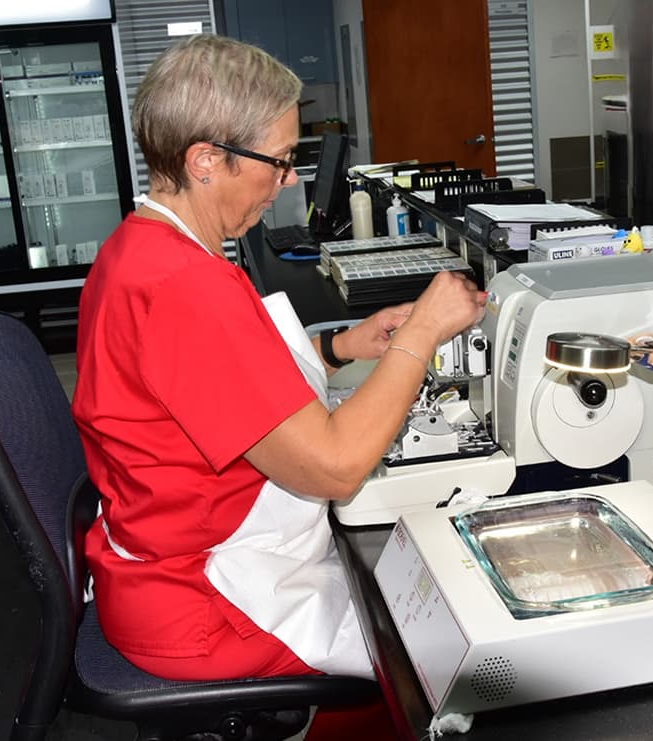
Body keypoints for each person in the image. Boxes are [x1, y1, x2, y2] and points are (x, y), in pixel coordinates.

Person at [71, 34, 486, 738]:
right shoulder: (183, 287)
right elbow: (334, 465)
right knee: (445, 656)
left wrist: (342, 347)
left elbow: (212, 387)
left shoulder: (142, 248)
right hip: (206, 599)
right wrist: (420, 336)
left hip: (162, 566)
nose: (290, 179)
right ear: (205, 160)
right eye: (281, 160)